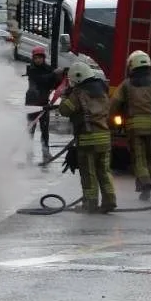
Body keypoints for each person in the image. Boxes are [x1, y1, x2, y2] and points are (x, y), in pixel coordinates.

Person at [110, 50, 151, 201]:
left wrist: (109, 123)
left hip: (135, 128)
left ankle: (145, 187)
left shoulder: (126, 85)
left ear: (131, 65)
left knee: (139, 159)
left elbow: (114, 104)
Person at [58, 61, 116, 213]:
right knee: (104, 171)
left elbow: (65, 110)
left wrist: (65, 96)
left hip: (88, 138)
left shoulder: (78, 93)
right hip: (104, 137)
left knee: (88, 173)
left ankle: (90, 204)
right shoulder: (102, 90)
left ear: (78, 78)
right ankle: (110, 201)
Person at [24, 46, 60, 162]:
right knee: (30, 129)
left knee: (45, 130)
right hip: (32, 104)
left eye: (40, 57)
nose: (38, 60)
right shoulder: (31, 70)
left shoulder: (49, 69)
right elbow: (40, 80)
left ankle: (46, 153)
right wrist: (53, 74)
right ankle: (28, 154)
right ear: (33, 58)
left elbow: (53, 84)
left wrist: (59, 77)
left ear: (44, 58)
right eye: (36, 58)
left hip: (44, 103)